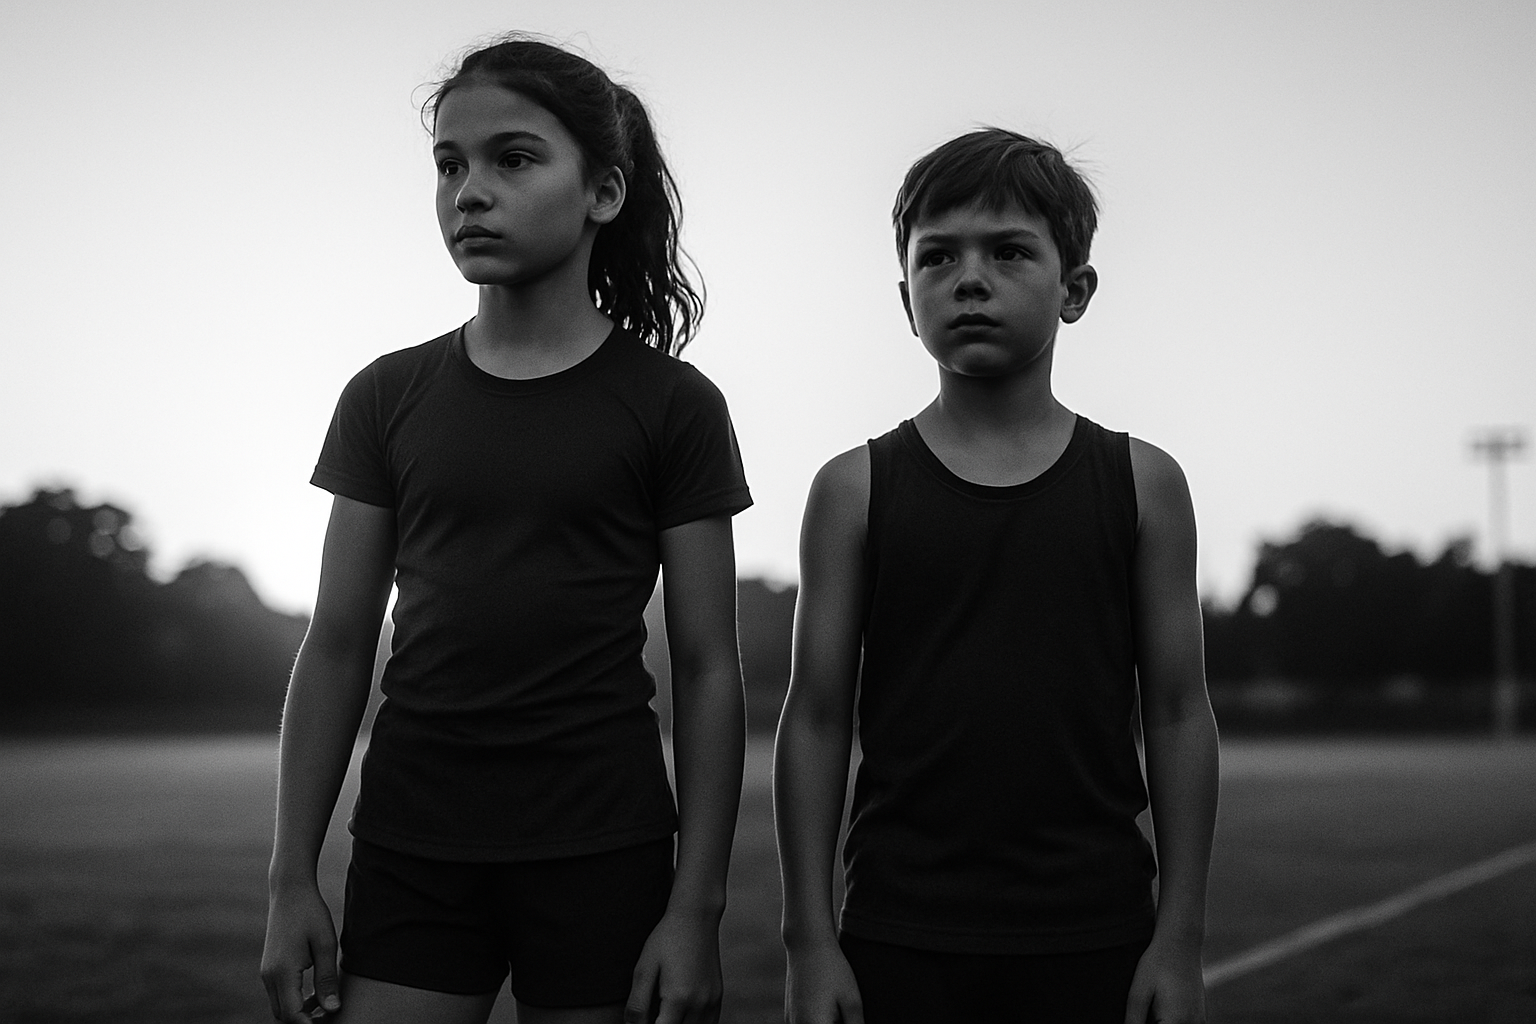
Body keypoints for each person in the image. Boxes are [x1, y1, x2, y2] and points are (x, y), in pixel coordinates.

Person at [259, 35, 751, 1024]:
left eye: (513, 159)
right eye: (449, 165)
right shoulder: (385, 396)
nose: (470, 192)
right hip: (413, 843)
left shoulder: (674, 405)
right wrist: (290, 879)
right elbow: (338, 642)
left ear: (603, 193)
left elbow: (707, 667)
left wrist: (695, 908)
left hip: (604, 847)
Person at [774, 128, 1220, 1024]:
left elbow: (1177, 712)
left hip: (1096, 930)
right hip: (900, 931)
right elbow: (816, 717)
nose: (969, 279)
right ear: (908, 301)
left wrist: (1178, 942)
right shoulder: (854, 489)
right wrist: (809, 943)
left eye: (1009, 251)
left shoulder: (1143, 484)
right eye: (938, 256)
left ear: (1074, 289)